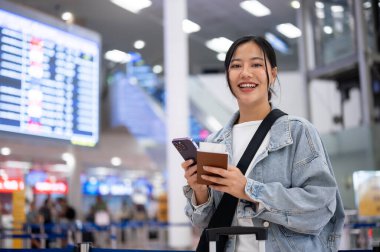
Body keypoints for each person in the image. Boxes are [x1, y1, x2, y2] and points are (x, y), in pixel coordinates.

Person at [181, 35, 345, 252]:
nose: (245, 73)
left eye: (256, 64)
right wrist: (200, 192)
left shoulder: (297, 132)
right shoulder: (214, 142)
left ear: (273, 74)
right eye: (236, 65)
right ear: (228, 75)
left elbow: (321, 208)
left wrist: (249, 189)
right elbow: (207, 223)